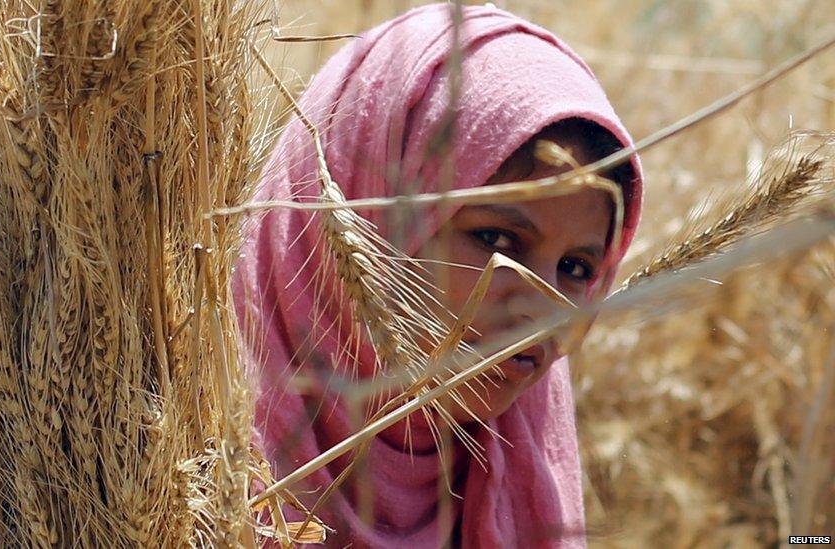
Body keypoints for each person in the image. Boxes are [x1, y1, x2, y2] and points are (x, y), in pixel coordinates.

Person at [234, 3, 643, 547]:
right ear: (363, 211)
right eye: (496, 239)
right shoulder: (175, 463)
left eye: (576, 268)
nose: (543, 315)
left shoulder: (519, 468)